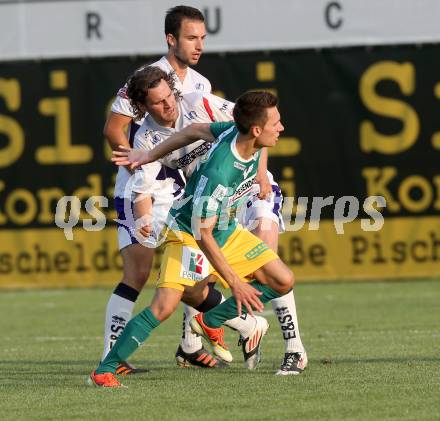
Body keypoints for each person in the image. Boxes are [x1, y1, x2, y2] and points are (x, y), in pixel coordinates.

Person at [89, 91, 295, 388]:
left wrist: (148, 155)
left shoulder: (235, 131)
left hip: (226, 230)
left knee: (283, 280)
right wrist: (235, 283)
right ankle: (105, 368)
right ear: (256, 130)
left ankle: (209, 320)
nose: (282, 128)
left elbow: (193, 130)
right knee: (164, 307)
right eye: (276, 123)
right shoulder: (220, 174)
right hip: (188, 234)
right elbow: (203, 235)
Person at [118, 65, 270, 369]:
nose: (169, 104)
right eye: (158, 102)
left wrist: (263, 172)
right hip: (206, 201)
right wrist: (145, 222)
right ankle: (232, 330)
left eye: (169, 96)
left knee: (268, 258)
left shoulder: (199, 101)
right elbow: (142, 189)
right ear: (142, 108)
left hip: (246, 181)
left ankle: (293, 349)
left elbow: (258, 124)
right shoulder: (146, 138)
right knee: (192, 282)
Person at [102, 5, 213, 373]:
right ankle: (111, 358)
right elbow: (114, 128)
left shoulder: (200, 85)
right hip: (143, 189)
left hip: (178, 191)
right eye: (190, 37)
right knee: (138, 272)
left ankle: (190, 344)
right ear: (171, 39)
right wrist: (135, 162)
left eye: (202, 37)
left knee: (188, 266)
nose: (198, 45)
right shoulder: (147, 79)